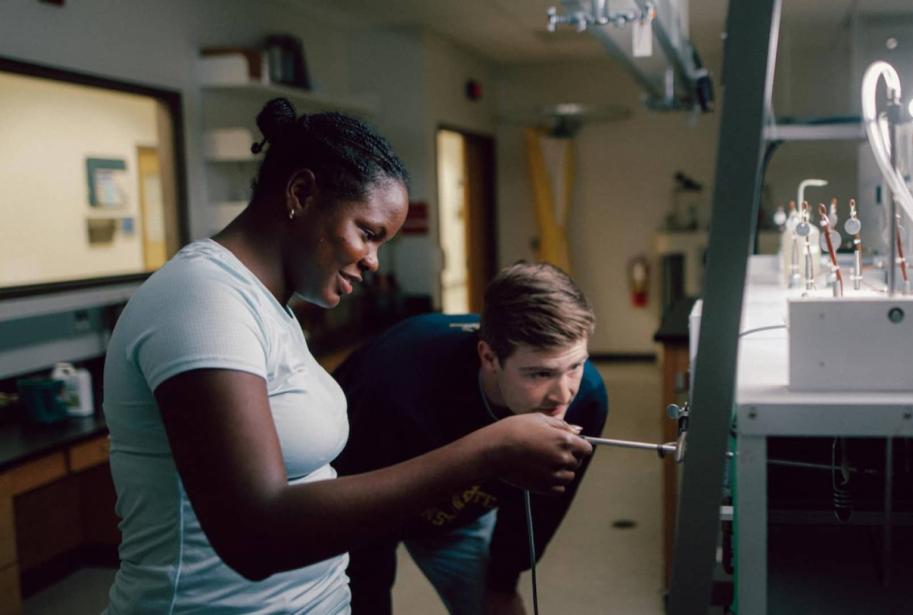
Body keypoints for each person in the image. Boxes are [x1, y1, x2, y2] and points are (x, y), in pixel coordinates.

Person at [101, 98, 592, 614]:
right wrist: (485, 452)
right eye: (368, 233)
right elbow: (255, 536)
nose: (374, 261)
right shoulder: (202, 299)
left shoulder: (272, 311)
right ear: (302, 193)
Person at [332, 262, 608, 615]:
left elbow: (542, 505)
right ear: (489, 357)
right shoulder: (391, 381)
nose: (564, 393)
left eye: (575, 366)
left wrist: (503, 583)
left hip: (459, 516)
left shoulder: (588, 396)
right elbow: (352, 518)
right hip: (371, 497)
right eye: (541, 373)